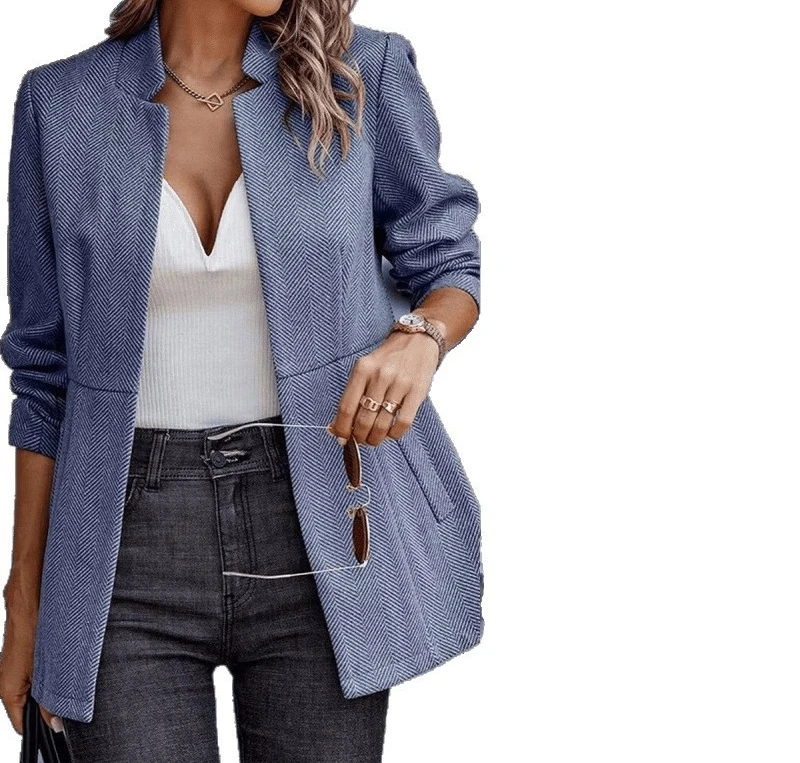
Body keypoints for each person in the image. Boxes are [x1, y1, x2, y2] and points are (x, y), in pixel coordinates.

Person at [0, 0, 483, 760]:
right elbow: (42, 373)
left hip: (322, 523)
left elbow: (448, 262)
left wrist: (420, 339)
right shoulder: (60, 105)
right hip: (119, 548)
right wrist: (23, 597)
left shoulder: (362, 74)